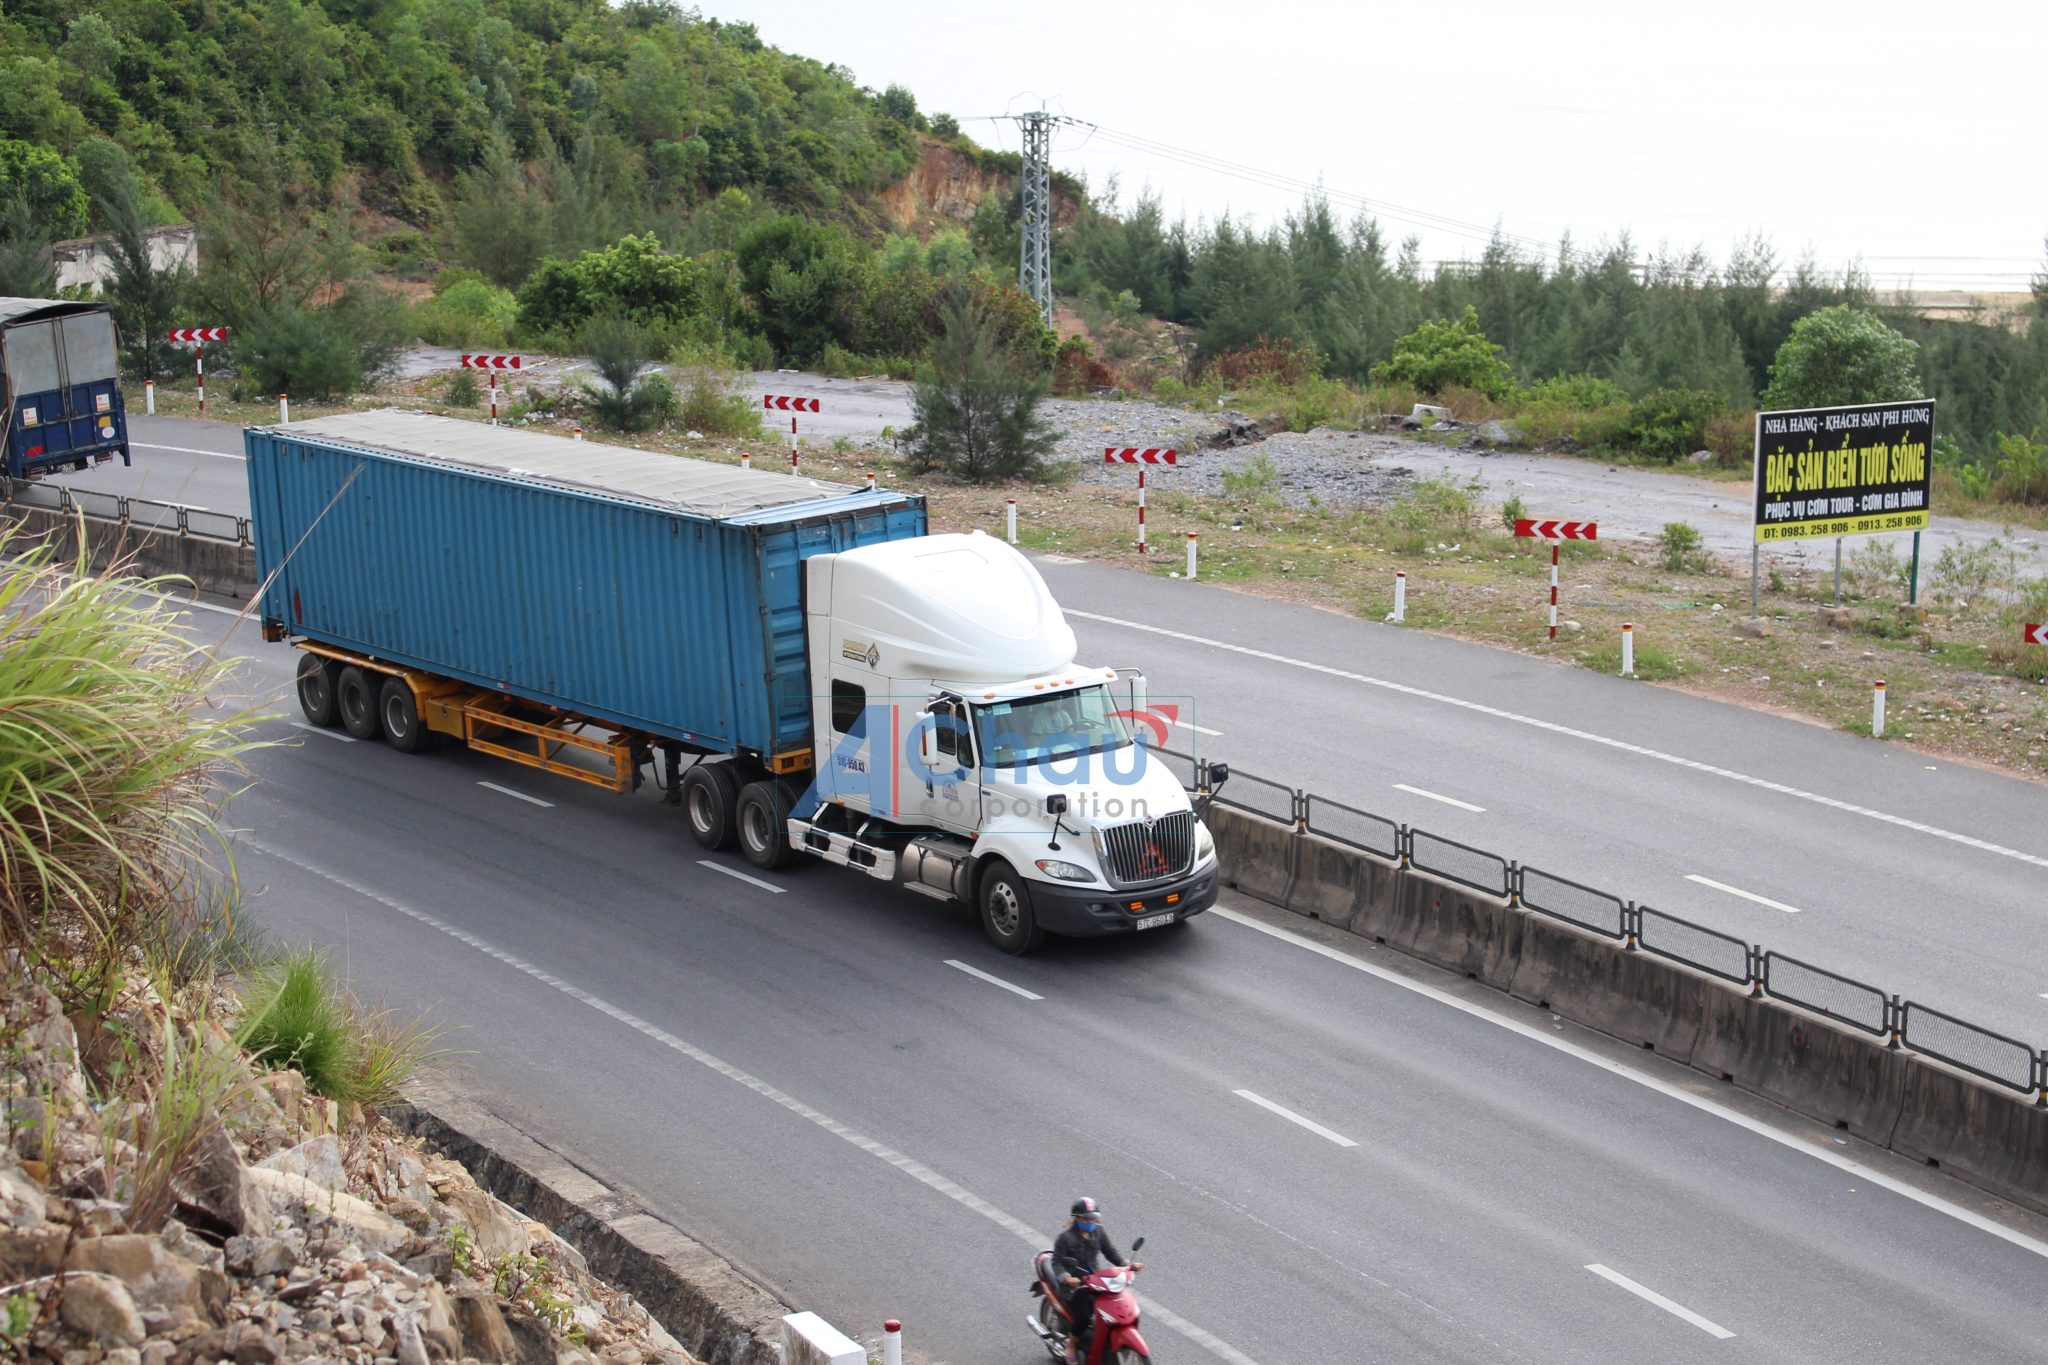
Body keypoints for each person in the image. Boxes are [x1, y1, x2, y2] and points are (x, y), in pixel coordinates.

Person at [1052, 1198, 1141, 1363]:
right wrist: (1066, 1277)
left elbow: (1111, 1252)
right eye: (1086, 1218)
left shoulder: (1098, 1232)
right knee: (1085, 1317)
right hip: (1075, 1287)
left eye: (1093, 1218)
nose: (1090, 1221)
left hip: (1095, 1282)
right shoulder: (1065, 1238)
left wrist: (1128, 1267)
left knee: (1112, 1308)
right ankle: (1071, 1344)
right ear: (1077, 1218)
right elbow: (1056, 1262)